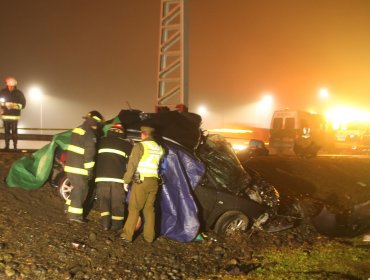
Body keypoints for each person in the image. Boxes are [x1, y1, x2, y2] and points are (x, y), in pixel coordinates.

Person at [120, 125, 164, 243]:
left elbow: (132, 165)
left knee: (134, 208)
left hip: (142, 182)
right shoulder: (159, 148)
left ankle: (127, 235)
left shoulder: (140, 146)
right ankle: (149, 237)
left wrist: (126, 180)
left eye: (141, 133)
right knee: (149, 210)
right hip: (154, 182)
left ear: (144, 134)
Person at [64, 110, 104, 223]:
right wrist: (89, 170)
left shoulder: (77, 130)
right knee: (81, 190)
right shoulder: (90, 134)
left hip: (70, 167)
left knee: (76, 188)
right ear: (95, 122)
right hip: (80, 169)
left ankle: (67, 209)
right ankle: (75, 216)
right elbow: (89, 154)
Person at [95, 123, 133, 231]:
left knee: (104, 201)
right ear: (122, 133)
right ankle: (117, 225)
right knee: (117, 203)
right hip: (117, 179)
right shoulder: (126, 145)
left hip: (101, 178)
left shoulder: (100, 142)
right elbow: (131, 162)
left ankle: (105, 224)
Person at [0, 77, 26, 151]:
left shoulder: (19, 93)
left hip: (14, 116)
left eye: (12, 86)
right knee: (6, 132)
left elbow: (23, 104)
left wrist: (13, 105)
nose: (10, 87)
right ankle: (7, 146)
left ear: (14, 86)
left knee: (14, 132)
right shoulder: (2, 92)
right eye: (9, 86)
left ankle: (15, 147)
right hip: (5, 116)